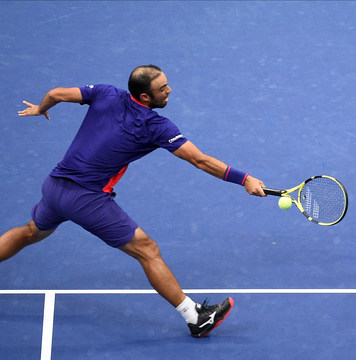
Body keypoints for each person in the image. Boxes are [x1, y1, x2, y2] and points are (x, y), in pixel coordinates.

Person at [0, 65, 267, 337]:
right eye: (162, 88)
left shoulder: (104, 93)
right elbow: (200, 160)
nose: (169, 90)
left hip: (55, 186)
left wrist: (39, 108)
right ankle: (194, 317)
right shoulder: (156, 126)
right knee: (147, 250)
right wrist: (244, 179)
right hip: (86, 199)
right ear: (146, 98)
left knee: (31, 232)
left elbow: (55, 93)